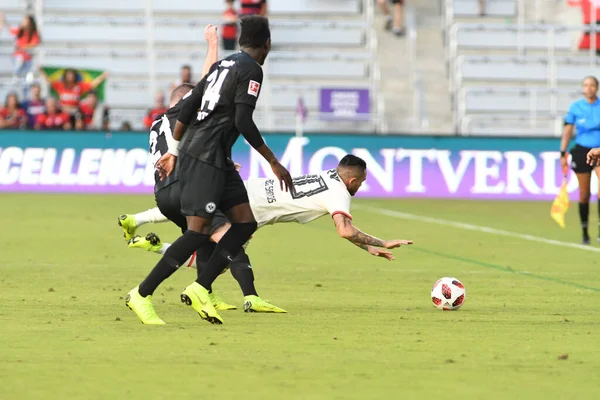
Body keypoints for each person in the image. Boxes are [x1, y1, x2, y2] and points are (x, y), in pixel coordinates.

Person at [125, 16, 293, 326]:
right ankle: (142, 293)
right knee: (198, 232)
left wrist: (173, 151)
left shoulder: (224, 66)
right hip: (204, 157)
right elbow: (243, 121)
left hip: (215, 158)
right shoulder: (252, 70)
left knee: (245, 224)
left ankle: (201, 287)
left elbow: (188, 108)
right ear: (267, 44)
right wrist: (272, 160)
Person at [122, 156, 412, 313]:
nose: (360, 187)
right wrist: (380, 242)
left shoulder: (329, 175)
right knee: (226, 248)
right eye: (360, 183)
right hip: (246, 206)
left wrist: (366, 247)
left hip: (249, 191)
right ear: (352, 179)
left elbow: (345, 229)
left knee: (212, 252)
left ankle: (164, 253)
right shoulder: (340, 191)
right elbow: (344, 230)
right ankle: (249, 297)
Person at [559, 76, 600, 245]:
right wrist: (563, 153)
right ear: (583, 88)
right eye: (586, 85)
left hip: (599, 150)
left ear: (597, 88)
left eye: (592, 85)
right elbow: (568, 131)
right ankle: (585, 231)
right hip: (582, 151)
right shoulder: (575, 107)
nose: (589, 88)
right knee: (584, 194)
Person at [41, 68, 107, 116]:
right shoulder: (60, 85)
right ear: (65, 76)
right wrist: (41, 71)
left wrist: (103, 76)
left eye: (72, 75)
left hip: (75, 112)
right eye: (68, 75)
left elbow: (92, 84)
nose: (70, 76)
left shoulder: (79, 86)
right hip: (63, 112)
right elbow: (49, 82)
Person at [0, 13, 41, 80]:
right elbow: (10, 30)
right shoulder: (20, 31)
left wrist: (23, 47)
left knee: (28, 73)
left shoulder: (33, 33)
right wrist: (4, 20)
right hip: (18, 56)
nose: (23, 22)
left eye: (25, 21)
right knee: (20, 60)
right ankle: (15, 77)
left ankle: (23, 82)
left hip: (28, 58)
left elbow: (35, 43)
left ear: (30, 23)